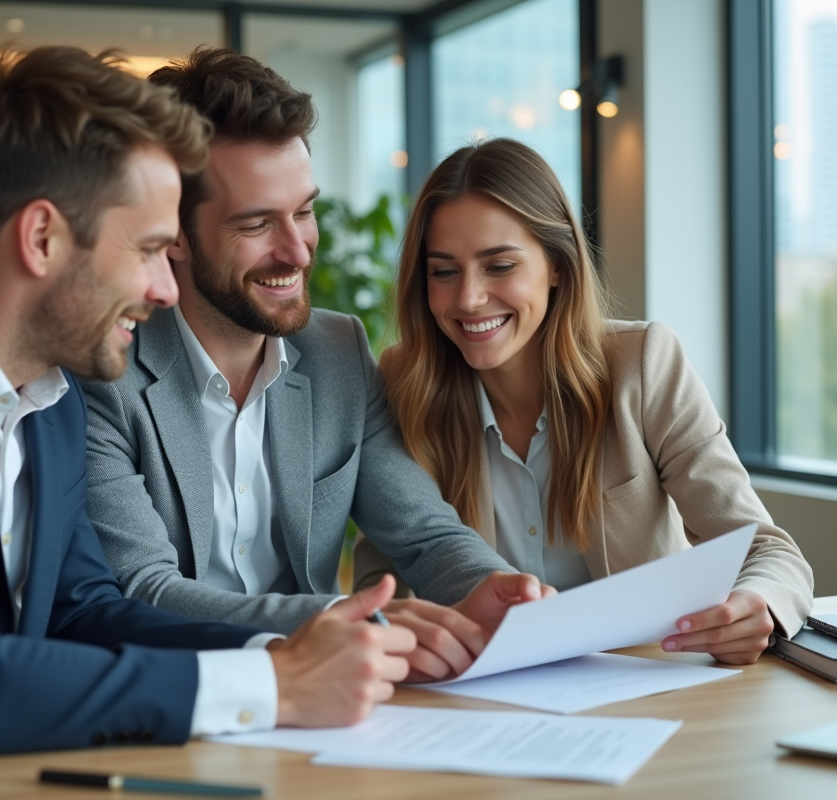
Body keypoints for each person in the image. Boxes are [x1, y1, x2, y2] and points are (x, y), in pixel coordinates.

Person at [0, 47, 418, 800]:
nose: (169, 290)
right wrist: (274, 682)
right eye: (147, 250)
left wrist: (294, 646)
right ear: (41, 238)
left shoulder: (53, 386)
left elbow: (84, 610)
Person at [84, 47, 549, 683]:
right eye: (257, 224)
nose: (297, 251)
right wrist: (339, 620)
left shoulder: (340, 352)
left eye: (303, 212)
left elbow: (423, 532)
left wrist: (493, 586)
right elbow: (143, 588)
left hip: (330, 709)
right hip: (177, 696)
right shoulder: (103, 371)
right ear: (175, 236)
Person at [354, 138, 814, 665]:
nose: (468, 299)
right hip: (483, 698)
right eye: (444, 271)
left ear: (557, 265)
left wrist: (756, 605)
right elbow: (380, 580)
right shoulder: (401, 382)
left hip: (643, 687)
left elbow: (771, 552)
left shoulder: (641, 363)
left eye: (499, 266)